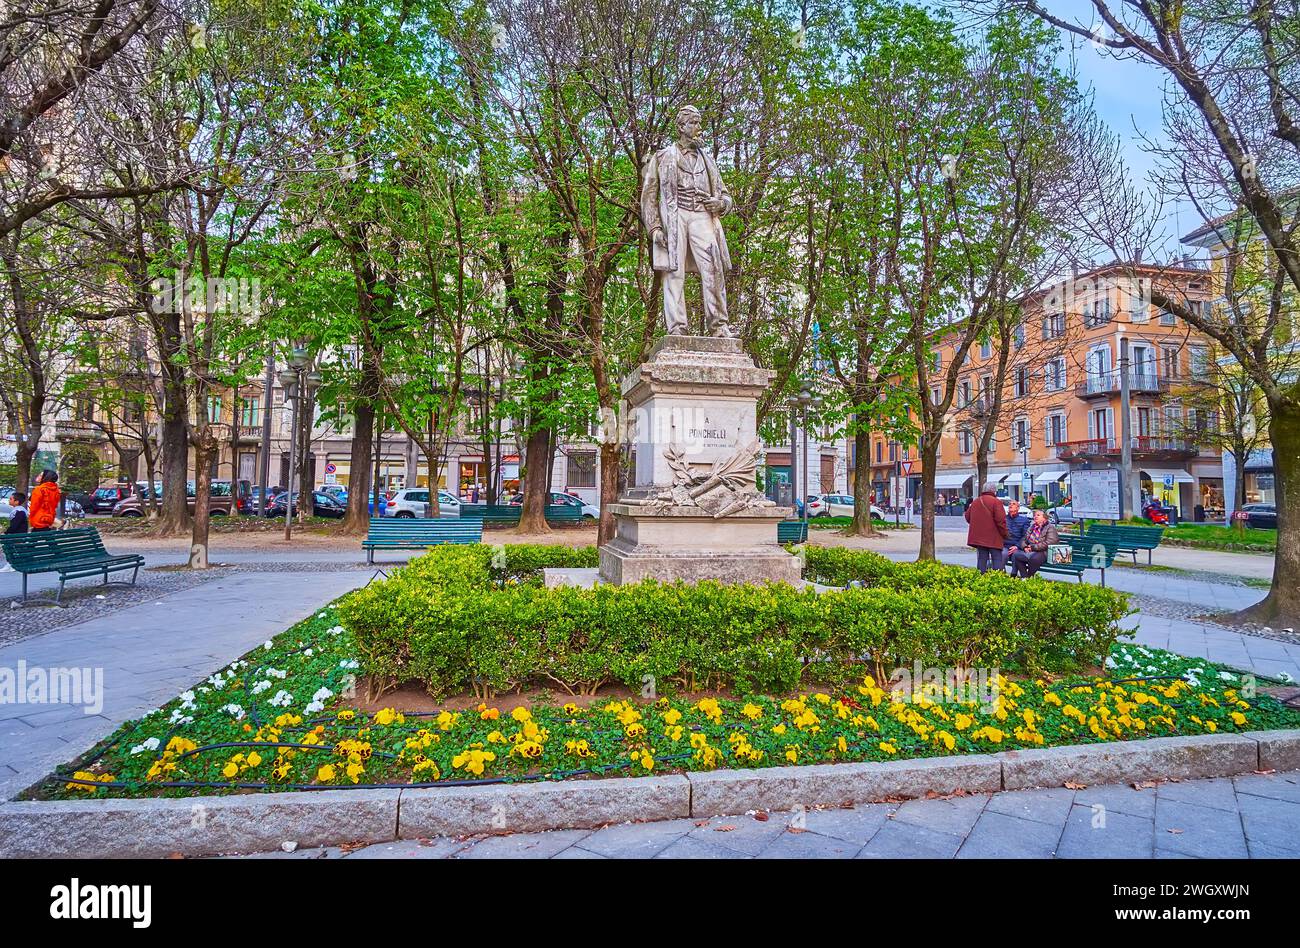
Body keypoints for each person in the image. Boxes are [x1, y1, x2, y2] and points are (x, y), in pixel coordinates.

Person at [641, 104, 735, 337]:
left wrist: (721, 204)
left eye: (699, 122)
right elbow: (649, 196)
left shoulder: (709, 160)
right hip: (675, 216)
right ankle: (677, 327)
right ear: (681, 126)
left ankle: (719, 326)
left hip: (703, 215)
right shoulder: (663, 157)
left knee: (713, 268)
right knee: (674, 271)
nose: (699, 128)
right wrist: (654, 228)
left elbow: (725, 195)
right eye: (694, 122)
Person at [965, 482, 1008, 572]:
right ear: (993, 491)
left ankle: (981, 579)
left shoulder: (976, 501)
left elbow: (967, 517)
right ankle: (996, 579)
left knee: (982, 559)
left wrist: (978, 525)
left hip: (979, 537)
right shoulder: (996, 502)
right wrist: (1005, 534)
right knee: (996, 558)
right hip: (993, 537)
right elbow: (1001, 521)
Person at [1010, 509, 1061, 578]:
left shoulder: (1050, 527)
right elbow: (1024, 539)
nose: (1035, 517)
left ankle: (1029, 576)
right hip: (1031, 549)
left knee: (1034, 559)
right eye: (1034, 515)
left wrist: (1033, 547)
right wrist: (1025, 547)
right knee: (1016, 555)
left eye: (1038, 515)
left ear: (1044, 518)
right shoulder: (1032, 527)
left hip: (1044, 551)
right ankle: (1024, 577)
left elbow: (1050, 542)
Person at [1003, 499, 1031, 567]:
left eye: (1013, 504)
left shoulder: (1024, 520)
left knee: (1016, 555)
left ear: (1018, 508)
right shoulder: (1003, 519)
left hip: (1017, 546)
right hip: (1005, 545)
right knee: (1002, 554)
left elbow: (1025, 536)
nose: (1011, 505)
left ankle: (1013, 574)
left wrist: (1017, 546)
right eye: (1010, 504)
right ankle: (1001, 574)